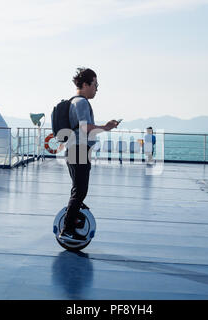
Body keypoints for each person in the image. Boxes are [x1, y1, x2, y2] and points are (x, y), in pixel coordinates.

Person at [59, 68, 119, 242]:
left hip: (74, 148)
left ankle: (73, 218)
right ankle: (67, 230)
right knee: (80, 191)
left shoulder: (74, 102)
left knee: (79, 190)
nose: (97, 88)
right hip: (79, 149)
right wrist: (106, 127)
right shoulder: (82, 102)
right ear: (85, 84)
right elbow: (85, 128)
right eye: (95, 84)